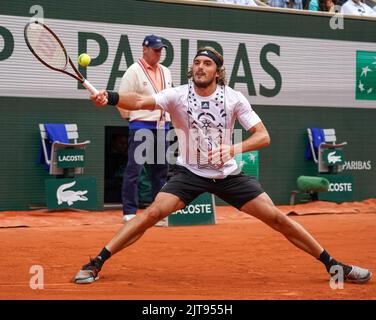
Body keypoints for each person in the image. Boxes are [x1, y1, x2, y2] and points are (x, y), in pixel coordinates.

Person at [74, 47, 372, 285]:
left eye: (207, 63)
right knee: (152, 213)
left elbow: (263, 136)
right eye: (197, 63)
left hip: (228, 174)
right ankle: (97, 261)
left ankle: (334, 265)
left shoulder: (233, 98)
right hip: (189, 172)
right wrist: (110, 97)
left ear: (218, 70)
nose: (200, 67)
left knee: (278, 220)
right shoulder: (177, 94)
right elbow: (139, 101)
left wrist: (234, 148)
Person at [117, 34, 172, 222]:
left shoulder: (166, 71)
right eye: (155, 50)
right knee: (135, 170)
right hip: (141, 126)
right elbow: (122, 99)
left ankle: (159, 212)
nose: (158, 53)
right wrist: (132, 118)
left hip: (163, 125)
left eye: (160, 50)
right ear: (145, 49)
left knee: (160, 171)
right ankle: (129, 212)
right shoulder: (133, 71)